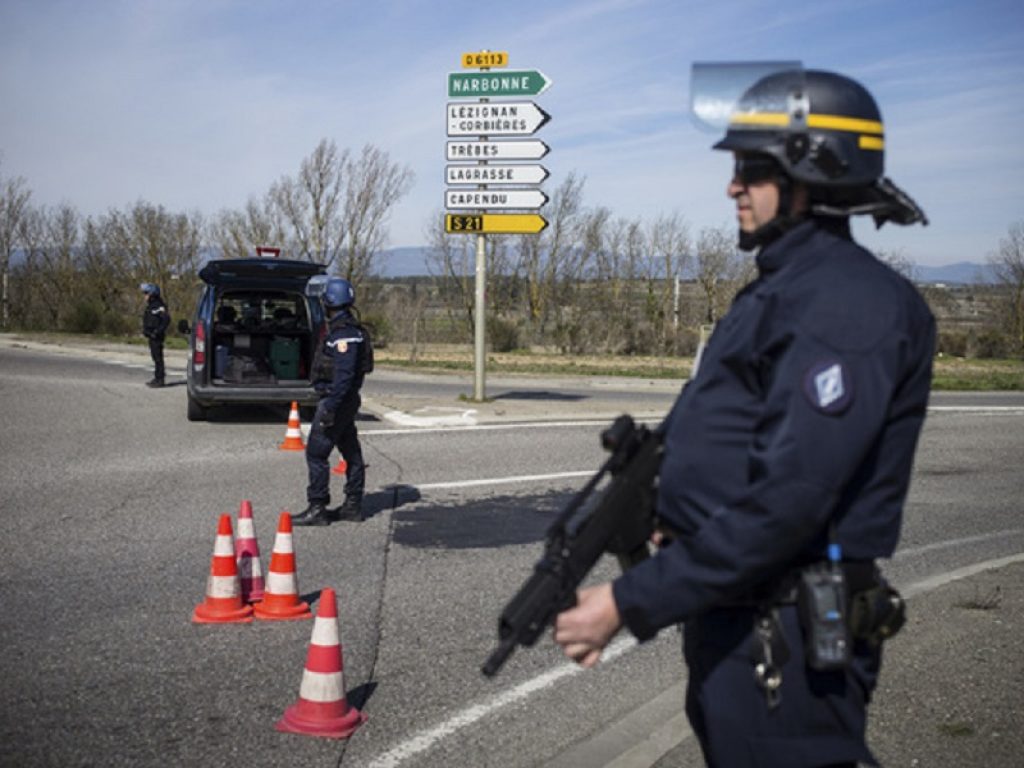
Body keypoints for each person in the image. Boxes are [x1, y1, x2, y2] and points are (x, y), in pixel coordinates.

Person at [553, 66, 935, 767]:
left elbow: (792, 499)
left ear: (815, 172)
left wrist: (627, 602)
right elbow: (741, 448)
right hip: (742, 617)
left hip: (784, 632)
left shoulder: (846, 304)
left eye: (752, 168)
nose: (733, 185)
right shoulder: (784, 288)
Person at [292, 276, 368, 526]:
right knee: (351, 453)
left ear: (330, 301)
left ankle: (318, 508)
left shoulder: (344, 335)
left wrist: (330, 409)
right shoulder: (349, 329)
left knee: (316, 453)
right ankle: (352, 506)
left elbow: (343, 378)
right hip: (345, 401)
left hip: (337, 401)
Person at [140, 282, 170, 387]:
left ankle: (160, 379)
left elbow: (166, 320)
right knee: (155, 357)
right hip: (151, 335)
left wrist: (157, 331)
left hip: (156, 336)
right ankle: (157, 377)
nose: (145, 296)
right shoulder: (151, 306)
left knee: (158, 358)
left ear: (153, 294)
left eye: (146, 293)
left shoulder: (159, 305)